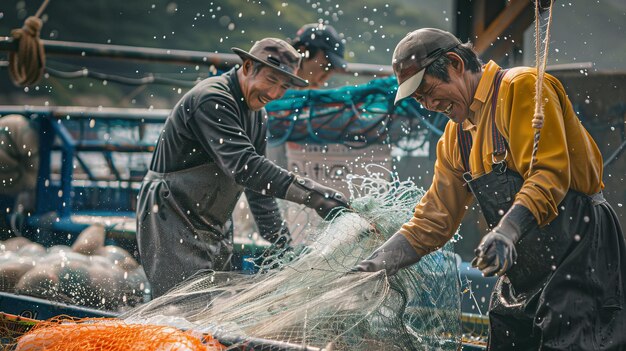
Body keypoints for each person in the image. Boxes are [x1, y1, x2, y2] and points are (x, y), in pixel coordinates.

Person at [353, 28, 626, 349]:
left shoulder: (521, 87)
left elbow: (549, 175)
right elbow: (432, 222)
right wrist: (370, 267)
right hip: (520, 272)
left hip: (580, 254)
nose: (428, 105)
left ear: (455, 63)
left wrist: (507, 231)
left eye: (427, 90)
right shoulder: (456, 139)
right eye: (418, 99)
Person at [136, 38, 349, 298]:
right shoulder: (212, 99)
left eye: (283, 87)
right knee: (184, 307)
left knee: (212, 305)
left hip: (210, 220)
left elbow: (258, 187)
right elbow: (245, 167)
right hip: (171, 212)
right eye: (271, 80)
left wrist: (281, 245)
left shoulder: (257, 114)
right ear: (248, 66)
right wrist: (314, 196)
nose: (273, 94)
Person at [291, 23, 347, 89]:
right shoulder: (276, 85)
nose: (324, 79)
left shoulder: (281, 89)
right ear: (303, 52)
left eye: (332, 70)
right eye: (325, 67)